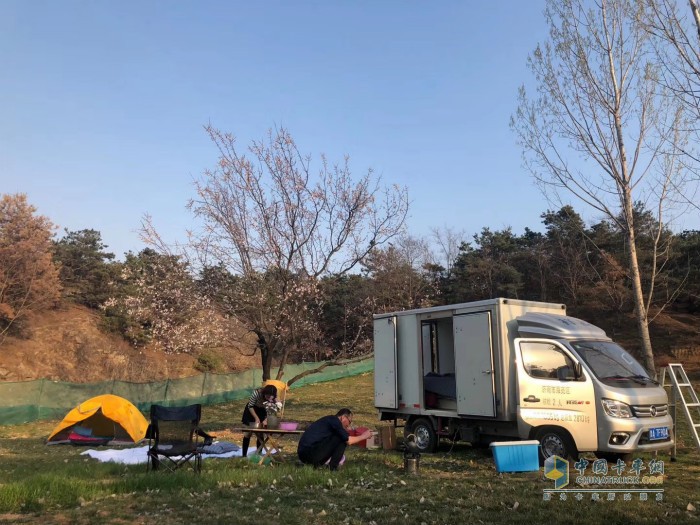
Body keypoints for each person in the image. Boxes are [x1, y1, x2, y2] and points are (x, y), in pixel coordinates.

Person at [297, 408, 372, 470]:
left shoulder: (329, 421)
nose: (348, 425)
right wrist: (364, 436)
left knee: (342, 436)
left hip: (304, 454)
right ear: (343, 417)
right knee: (342, 438)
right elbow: (349, 441)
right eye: (349, 422)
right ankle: (333, 468)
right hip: (309, 453)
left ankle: (317, 466)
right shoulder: (335, 421)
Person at [240, 384, 278, 457]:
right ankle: (244, 456)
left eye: (271, 396)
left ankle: (259, 455)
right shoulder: (256, 393)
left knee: (260, 434)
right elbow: (250, 406)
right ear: (264, 393)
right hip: (252, 410)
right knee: (247, 433)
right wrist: (256, 418)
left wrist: (266, 419)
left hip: (262, 410)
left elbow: (272, 410)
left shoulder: (273, 398)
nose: (269, 398)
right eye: (267, 396)